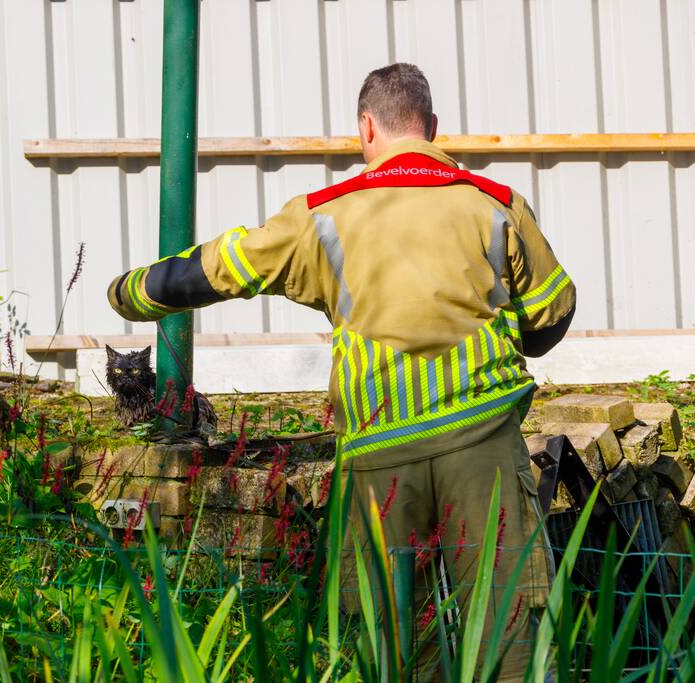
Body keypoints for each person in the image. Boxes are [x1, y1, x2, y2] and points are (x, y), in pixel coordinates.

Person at [106, 63, 575, 680]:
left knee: (393, 643)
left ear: (366, 127)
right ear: (431, 127)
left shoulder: (322, 216)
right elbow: (552, 312)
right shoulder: (496, 205)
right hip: (483, 444)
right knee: (507, 627)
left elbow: (220, 267)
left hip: (380, 456)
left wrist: (129, 292)